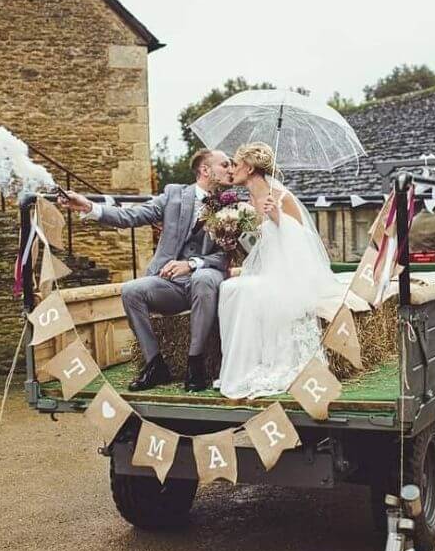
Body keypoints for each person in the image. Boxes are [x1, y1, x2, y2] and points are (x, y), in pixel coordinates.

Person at [58, 149, 232, 392]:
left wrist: (192, 264)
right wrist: (89, 206)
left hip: (206, 276)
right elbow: (131, 215)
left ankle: (196, 363)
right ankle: (155, 364)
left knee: (203, 278)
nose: (231, 169)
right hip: (170, 283)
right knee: (131, 290)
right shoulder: (174, 195)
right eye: (225, 165)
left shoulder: (233, 204)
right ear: (205, 170)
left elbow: (226, 255)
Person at [216, 142, 340, 399]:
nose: (232, 170)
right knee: (230, 287)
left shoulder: (282, 197)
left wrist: (279, 218)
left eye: (236, 164)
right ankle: (240, 366)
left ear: (249, 168)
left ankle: (266, 365)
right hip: (268, 270)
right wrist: (232, 233)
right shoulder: (249, 200)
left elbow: (305, 243)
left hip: (290, 276)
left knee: (244, 290)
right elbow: (258, 245)